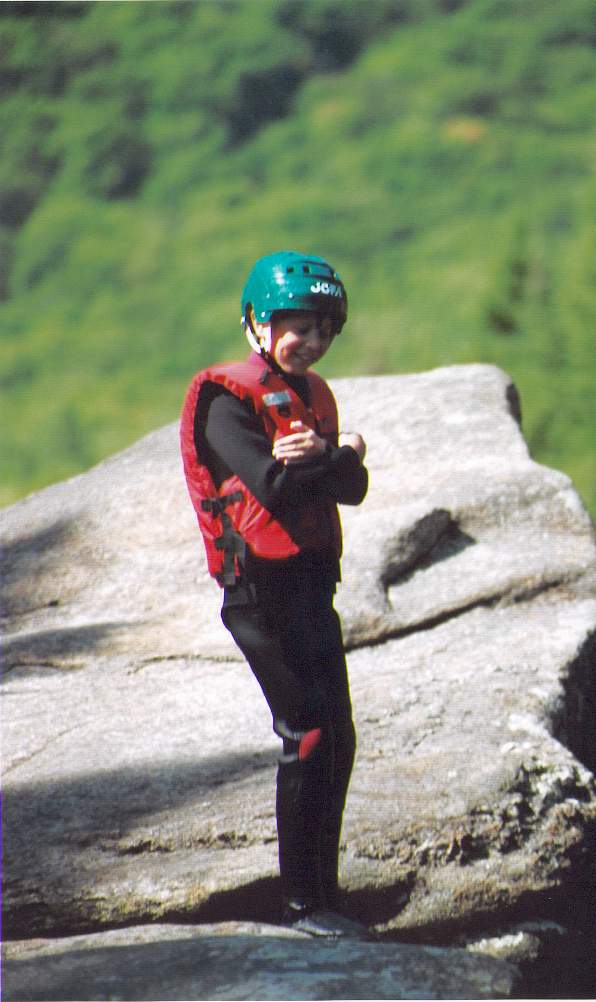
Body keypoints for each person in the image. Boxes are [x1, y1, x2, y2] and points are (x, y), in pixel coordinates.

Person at [180, 251, 369, 938]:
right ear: (257, 325)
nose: (311, 343)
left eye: (322, 330)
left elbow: (352, 487)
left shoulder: (311, 396)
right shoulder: (225, 402)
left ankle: (326, 896)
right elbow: (277, 487)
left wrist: (330, 457)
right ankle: (302, 908)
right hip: (259, 593)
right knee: (308, 733)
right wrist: (338, 453)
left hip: (312, 584)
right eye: (298, 328)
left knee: (339, 738)